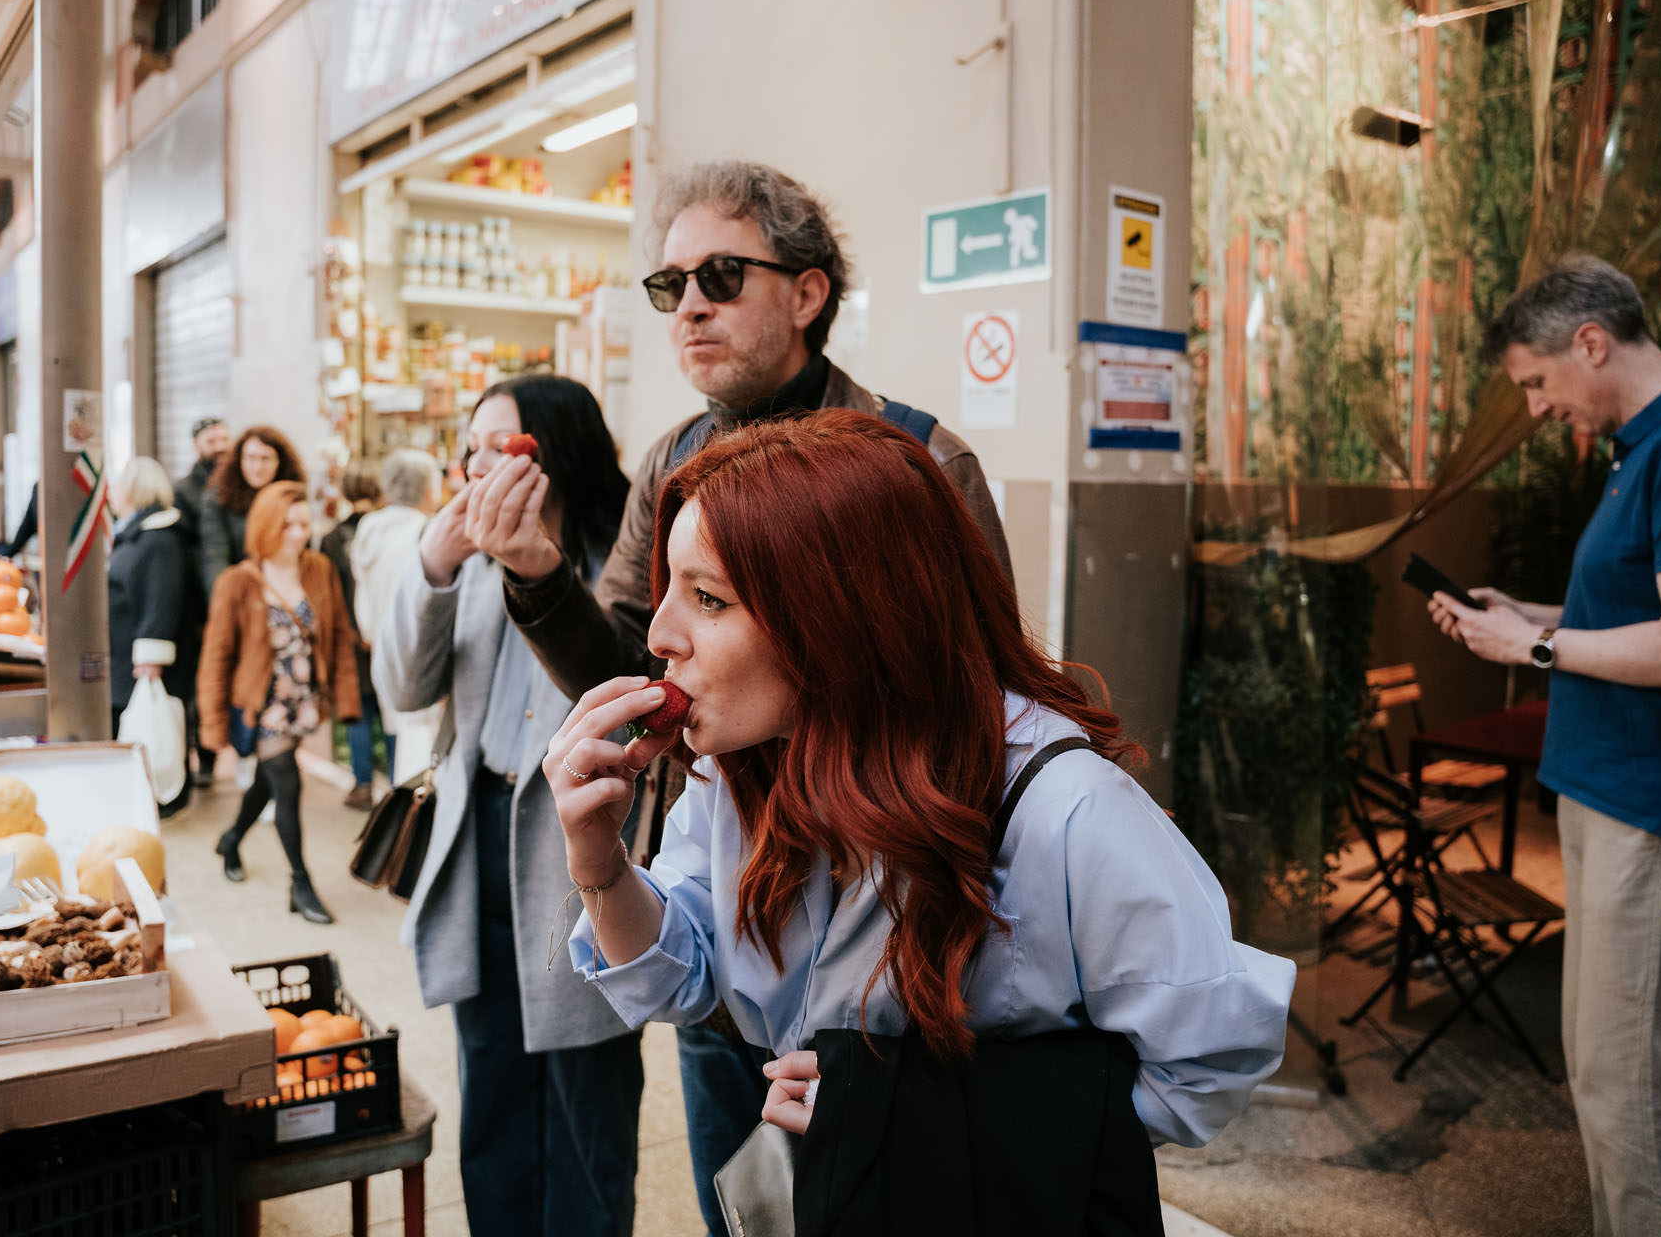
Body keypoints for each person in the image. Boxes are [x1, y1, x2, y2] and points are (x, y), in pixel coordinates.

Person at [542, 411, 1293, 1226]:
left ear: (840, 616)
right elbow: (677, 977)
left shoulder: (1063, 807)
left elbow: (1210, 1061)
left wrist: (911, 1117)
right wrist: (600, 863)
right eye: (668, 592)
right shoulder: (743, 772)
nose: (659, 635)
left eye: (708, 599)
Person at [461, 159, 1013, 1233]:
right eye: (670, 285)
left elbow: (978, 704)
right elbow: (639, 664)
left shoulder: (918, 458)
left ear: (807, 293)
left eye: (720, 275)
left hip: (882, 934)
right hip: (723, 913)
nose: (690, 306)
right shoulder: (674, 456)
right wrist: (535, 573)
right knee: (747, 1207)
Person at [1427, 255, 1661, 1237]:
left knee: (1632, 1093)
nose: (1538, 408)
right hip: (1612, 797)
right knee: (1604, 1080)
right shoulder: (1646, 446)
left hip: (1656, 810)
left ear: (1591, 343)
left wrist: (1536, 648)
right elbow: (1642, 613)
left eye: (1536, 382)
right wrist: (1530, 615)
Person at [374, 378, 642, 1237]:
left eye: (505, 446)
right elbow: (404, 689)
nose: (480, 466)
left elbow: (635, 687)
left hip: (580, 854)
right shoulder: (470, 566)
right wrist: (435, 564)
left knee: (586, 1104)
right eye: (472, 449)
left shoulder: (622, 563)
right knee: (490, 1086)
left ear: (558, 451)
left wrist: (538, 568)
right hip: (476, 841)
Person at [198, 481, 360, 925]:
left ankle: (232, 839)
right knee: (287, 783)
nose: (299, 533)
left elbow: (339, 635)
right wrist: (212, 724)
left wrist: (347, 700)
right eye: (288, 525)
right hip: (263, 705)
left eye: (304, 524)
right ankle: (300, 883)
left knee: (268, 782)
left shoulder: (319, 569)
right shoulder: (237, 582)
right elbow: (216, 656)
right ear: (266, 526)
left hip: (304, 700)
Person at [106, 456, 201, 817]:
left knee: (162, 724)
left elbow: (161, 598)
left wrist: (151, 656)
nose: (112, 494)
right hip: (128, 653)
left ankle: (168, 796)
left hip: (148, 660)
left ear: (132, 489)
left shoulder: (159, 539)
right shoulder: (140, 533)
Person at [349, 448, 443, 785]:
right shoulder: (428, 532)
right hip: (421, 659)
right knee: (421, 753)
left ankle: (399, 805)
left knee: (402, 742)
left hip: (383, 653)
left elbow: (363, 605)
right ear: (428, 489)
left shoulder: (370, 530)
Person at [320, 467, 385, 809]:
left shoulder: (333, 539)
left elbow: (329, 595)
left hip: (349, 636)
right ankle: (399, 786)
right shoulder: (388, 531)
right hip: (387, 635)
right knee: (391, 711)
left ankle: (362, 784)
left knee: (358, 709)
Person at [176, 418, 233, 789]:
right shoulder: (184, 490)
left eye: (225, 438)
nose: (220, 446)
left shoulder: (236, 486)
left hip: (229, 598)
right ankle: (201, 756)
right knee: (198, 683)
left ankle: (219, 753)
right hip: (196, 604)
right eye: (212, 440)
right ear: (197, 446)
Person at [199, 425, 305, 598]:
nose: (257, 466)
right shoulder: (219, 499)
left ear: (280, 461)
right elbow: (215, 558)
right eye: (250, 458)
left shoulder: (291, 496)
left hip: (286, 591)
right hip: (239, 593)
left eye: (265, 458)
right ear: (239, 460)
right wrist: (224, 600)